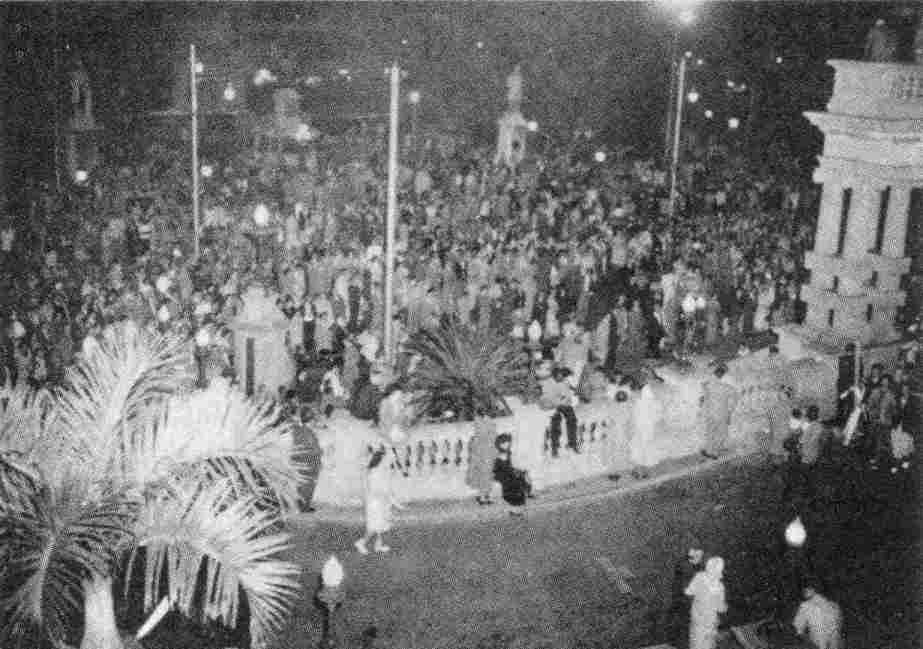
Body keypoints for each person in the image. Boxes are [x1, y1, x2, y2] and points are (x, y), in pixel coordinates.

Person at [355, 447, 404, 555]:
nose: (387, 461)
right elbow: (375, 490)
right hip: (375, 502)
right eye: (385, 459)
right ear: (380, 460)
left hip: (379, 501)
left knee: (380, 525)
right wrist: (392, 500)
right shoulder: (374, 472)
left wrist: (390, 499)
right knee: (373, 526)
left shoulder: (379, 471)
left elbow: (386, 487)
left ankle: (378, 545)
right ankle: (361, 543)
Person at [685, 556, 728, 649]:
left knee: (695, 639)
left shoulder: (699, 576)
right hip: (709, 620)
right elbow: (721, 608)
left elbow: (688, 591)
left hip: (697, 616)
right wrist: (725, 607)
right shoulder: (719, 587)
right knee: (707, 642)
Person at [667, 547, 705, 649]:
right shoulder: (686, 568)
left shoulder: (694, 567)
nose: (700, 559)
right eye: (698, 557)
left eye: (700, 557)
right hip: (685, 603)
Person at [700, 365, 739, 460]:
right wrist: (730, 411)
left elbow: (703, 398)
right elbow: (735, 398)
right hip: (721, 413)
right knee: (720, 433)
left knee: (711, 432)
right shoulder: (726, 386)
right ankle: (714, 452)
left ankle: (710, 451)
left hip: (711, 412)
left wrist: (703, 408)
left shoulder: (708, 384)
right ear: (722, 374)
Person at [492, 433, 533, 516]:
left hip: (511, 474)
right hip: (505, 478)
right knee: (515, 486)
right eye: (503, 443)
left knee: (522, 478)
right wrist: (507, 474)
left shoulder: (509, 454)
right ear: (499, 444)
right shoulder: (497, 457)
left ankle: (519, 507)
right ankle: (515, 509)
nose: (506, 445)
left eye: (507, 442)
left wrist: (518, 471)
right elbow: (496, 471)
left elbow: (511, 465)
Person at [467, 415, 497, 505]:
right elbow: (472, 450)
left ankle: (485, 496)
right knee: (483, 477)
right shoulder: (478, 438)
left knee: (487, 477)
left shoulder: (486, 438)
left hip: (486, 458)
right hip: (482, 458)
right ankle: (482, 496)